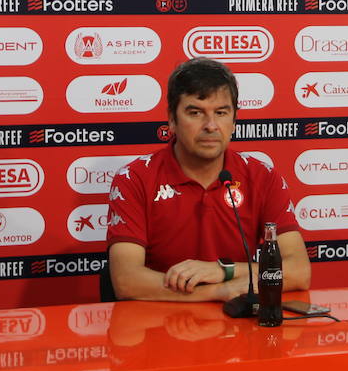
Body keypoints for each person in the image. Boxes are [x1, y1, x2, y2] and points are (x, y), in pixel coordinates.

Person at [106, 57, 310, 301]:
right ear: (172, 119)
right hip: (159, 323)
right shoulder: (135, 178)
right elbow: (126, 280)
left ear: (234, 120)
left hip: (238, 329)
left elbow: (299, 271)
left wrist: (223, 270)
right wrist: (220, 291)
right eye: (195, 113)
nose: (211, 125)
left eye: (221, 113)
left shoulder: (262, 176)